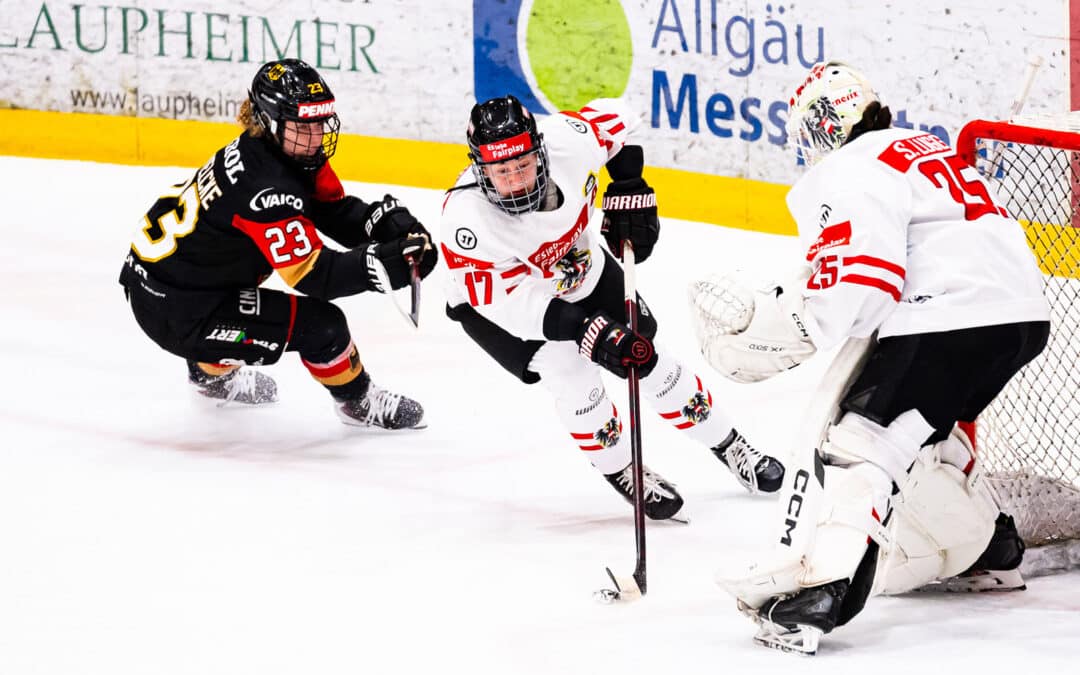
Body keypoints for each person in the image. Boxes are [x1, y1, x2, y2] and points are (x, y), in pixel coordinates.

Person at [690, 61, 1050, 654]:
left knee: (863, 440)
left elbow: (867, 276)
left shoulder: (854, 166)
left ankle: (825, 593)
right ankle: (992, 547)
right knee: (923, 432)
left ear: (830, 125)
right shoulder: (920, 148)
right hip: (1020, 316)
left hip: (951, 316)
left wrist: (804, 324)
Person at [438, 94, 785, 521]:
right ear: (480, 168)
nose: (515, 181)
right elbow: (516, 306)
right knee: (573, 375)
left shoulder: (569, 141)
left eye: (523, 165)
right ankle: (624, 471)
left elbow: (623, 118)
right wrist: (590, 331)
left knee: (643, 355)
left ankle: (729, 443)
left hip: (580, 268)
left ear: (541, 150)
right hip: (498, 307)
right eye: (501, 171)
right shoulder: (466, 221)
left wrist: (629, 185)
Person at [119, 58, 437, 429]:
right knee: (324, 327)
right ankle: (358, 402)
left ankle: (210, 370)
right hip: (175, 311)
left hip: (171, 282)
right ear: (271, 120)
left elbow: (328, 210)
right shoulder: (265, 186)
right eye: (304, 125)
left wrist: (381, 226)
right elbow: (316, 277)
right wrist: (382, 264)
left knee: (243, 288)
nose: (315, 135)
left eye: (319, 121)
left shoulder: (278, 149)